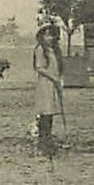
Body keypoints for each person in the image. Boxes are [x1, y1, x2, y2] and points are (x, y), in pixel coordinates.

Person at [32, 23, 65, 154]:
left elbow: (57, 67)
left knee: (51, 112)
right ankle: (43, 141)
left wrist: (58, 80)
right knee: (45, 112)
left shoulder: (54, 50)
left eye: (51, 35)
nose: (49, 38)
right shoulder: (40, 49)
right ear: (41, 36)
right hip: (45, 83)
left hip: (53, 84)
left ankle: (48, 139)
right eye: (46, 35)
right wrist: (53, 77)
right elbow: (39, 68)